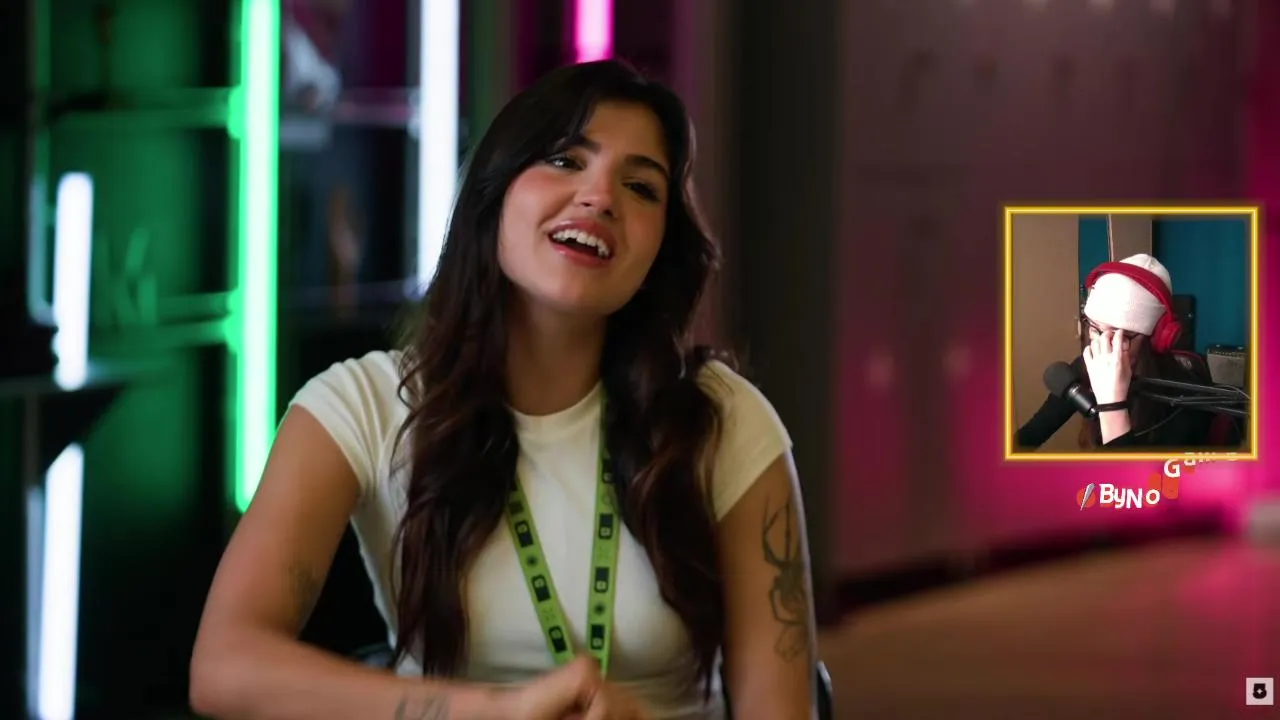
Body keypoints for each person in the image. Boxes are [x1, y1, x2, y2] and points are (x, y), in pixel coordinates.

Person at [190, 60, 817, 720]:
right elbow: (226, 665)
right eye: (565, 160)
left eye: (640, 187)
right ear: (493, 194)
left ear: (661, 248)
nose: (600, 197)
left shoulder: (721, 418)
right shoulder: (362, 405)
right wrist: (498, 713)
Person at [1015, 253, 1242, 452]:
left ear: (1155, 338)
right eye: (1094, 328)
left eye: (1117, 335)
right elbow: (1031, 435)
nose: (1102, 345)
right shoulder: (1087, 366)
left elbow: (1130, 484)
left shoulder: (1184, 404)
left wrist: (1111, 406)